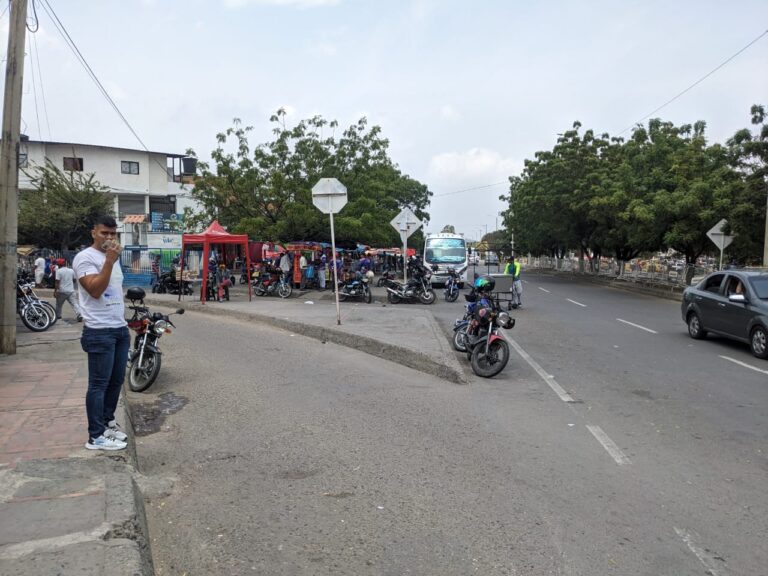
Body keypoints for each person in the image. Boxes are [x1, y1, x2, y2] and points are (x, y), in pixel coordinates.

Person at [73, 215, 129, 451]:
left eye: (113, 233)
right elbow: (95, 290)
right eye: (104, 233)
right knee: (98, 384)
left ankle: (107, 424)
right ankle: (95, 436)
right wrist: (108, 261)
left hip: (119, 328)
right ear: (93, 232)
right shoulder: (84, 258)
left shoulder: (113, 259)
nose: (109, 237)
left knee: (116, 381)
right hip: (99, 330)